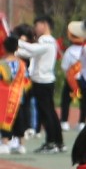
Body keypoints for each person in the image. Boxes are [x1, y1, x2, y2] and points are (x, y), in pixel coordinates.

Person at [16, 17, 58, 156]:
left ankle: (52, 143)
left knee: (46, 114)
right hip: (42, 81)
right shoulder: (45, 42)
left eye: (37, 25)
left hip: (43, 81)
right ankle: (53, 141)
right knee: (46, 113)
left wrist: (17, 42)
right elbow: (30, 53)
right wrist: (14, 51)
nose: (35, 28)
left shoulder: (47, 41)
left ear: (45, 25)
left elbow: (32, 50)